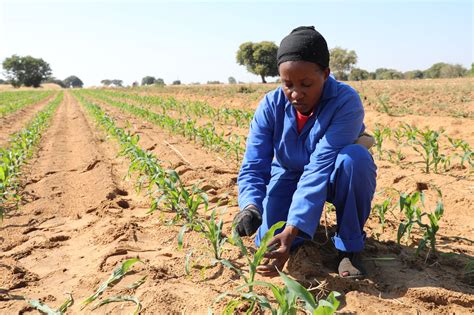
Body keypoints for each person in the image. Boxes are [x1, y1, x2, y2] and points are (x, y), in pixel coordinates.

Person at [233, 26, 377, 279]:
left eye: (306, 84)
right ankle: (299, 233)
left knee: (355, 160)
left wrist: (293, 227)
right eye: (287, 84)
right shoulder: (270, 105)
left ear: (326, 74)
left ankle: (349, 248)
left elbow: (320, 166)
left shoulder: (345, 101)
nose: (296, 94)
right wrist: (251, 206)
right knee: (267, 240)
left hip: (333, 173)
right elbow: (254, 163)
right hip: (288, 174)